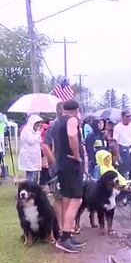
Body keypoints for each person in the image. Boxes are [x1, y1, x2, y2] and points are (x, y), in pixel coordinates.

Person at [50, 100, 88, 254]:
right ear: (76, 110)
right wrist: (77, 156)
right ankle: (65, 237)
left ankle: (67, 235)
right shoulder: (72, 120)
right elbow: (72, 136)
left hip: (61, 165)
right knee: (77, 199)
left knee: (67, 198)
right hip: (71, 165)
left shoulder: (57, 122)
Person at [19, 114, 44, 183]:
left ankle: (32, 190)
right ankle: (29, 189)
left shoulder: (34, 131)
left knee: (34, 174)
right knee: (32, 175)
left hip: (34, 156)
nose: (39, 126)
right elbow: (31, 141)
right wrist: (39, 133)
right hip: (29, 156)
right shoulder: (27, 130)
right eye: (37, 124)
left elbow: (38, 141)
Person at [113, 110, 131, 179]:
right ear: (122, 117)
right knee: (125, 171)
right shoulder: (117, 127)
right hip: (123, 149)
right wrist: (118, 155)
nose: (128, 118)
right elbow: (115, 142)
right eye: (127, 116)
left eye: (130, 117)